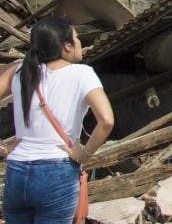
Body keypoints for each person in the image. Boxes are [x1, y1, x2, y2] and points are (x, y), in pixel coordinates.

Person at [0, 17, 114, 224]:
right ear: (67, 46)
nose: (81, 43)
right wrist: (84, 154)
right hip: (56, 172)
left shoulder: (20, 71)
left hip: (17, 171)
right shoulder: (83, 74)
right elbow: (106, 121)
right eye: (77, 38)